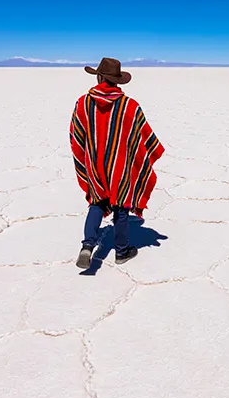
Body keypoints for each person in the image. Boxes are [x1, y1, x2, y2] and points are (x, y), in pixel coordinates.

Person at [69, 57, 165, 268]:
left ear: (99, 77)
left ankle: (87, 246)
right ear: (118, 81)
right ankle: (122, 252)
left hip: (94, 164)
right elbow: (144, 136)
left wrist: (85, 161)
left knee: (97, 202)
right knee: (121, 206)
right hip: (120, 166)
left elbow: (76, 136)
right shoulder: (130, 106)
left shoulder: (83, 103)